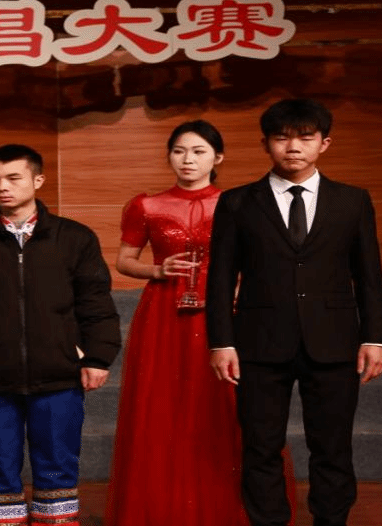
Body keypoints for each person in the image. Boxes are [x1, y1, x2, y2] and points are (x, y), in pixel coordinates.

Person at [105, 120, 302, 526]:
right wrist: (157, 271)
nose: (188, 160)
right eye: (179, 151)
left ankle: (235, 505)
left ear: (218, 157)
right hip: (163, 315)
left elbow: (264, 261)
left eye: (198, 151)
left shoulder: (242, 203)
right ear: (169, 157)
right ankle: (164, 506)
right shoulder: (147, 206)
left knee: (230, 405)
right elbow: (124, 261)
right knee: (162, 407)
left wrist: (243, 290)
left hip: (227, 315)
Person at [207, 99, 382, 526]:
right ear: (265, 144)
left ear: (324, 143)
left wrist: (375, 337)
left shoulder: (352, 201)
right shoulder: (237, 202)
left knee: (333, 447)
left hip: (334, 342)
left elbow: (369, 275)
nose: (293, 147)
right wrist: (222, 341)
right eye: (281, 138)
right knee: (260, 447)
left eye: (305, 138)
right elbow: (220, 279)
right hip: (257, 344)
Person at [0, 144, 121, 526]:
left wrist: (98, 357)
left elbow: (95, 303)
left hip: (58, 374)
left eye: (13, 177)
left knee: (57, 469)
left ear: (38, 180)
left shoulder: (75, 238)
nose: (2, 187)